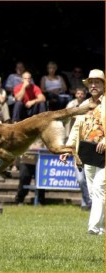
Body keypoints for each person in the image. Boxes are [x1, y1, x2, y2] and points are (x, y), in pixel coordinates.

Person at [59, 69, 105, 235]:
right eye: (91, 83)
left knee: (100, 188)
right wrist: (68, 149)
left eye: (97, 82)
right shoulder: (84, 106)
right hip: (87, 152)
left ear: (103, 85)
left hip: (104, 153)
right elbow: (76, 128)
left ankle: (93, 228)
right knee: (94, 192)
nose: (93, 85)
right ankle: (101, 228)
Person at [15, 140, 45, 205]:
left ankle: (40, 200)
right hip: (25, 161)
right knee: (24, 177)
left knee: (41, 179)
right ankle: (20, 199)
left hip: (39, 161)